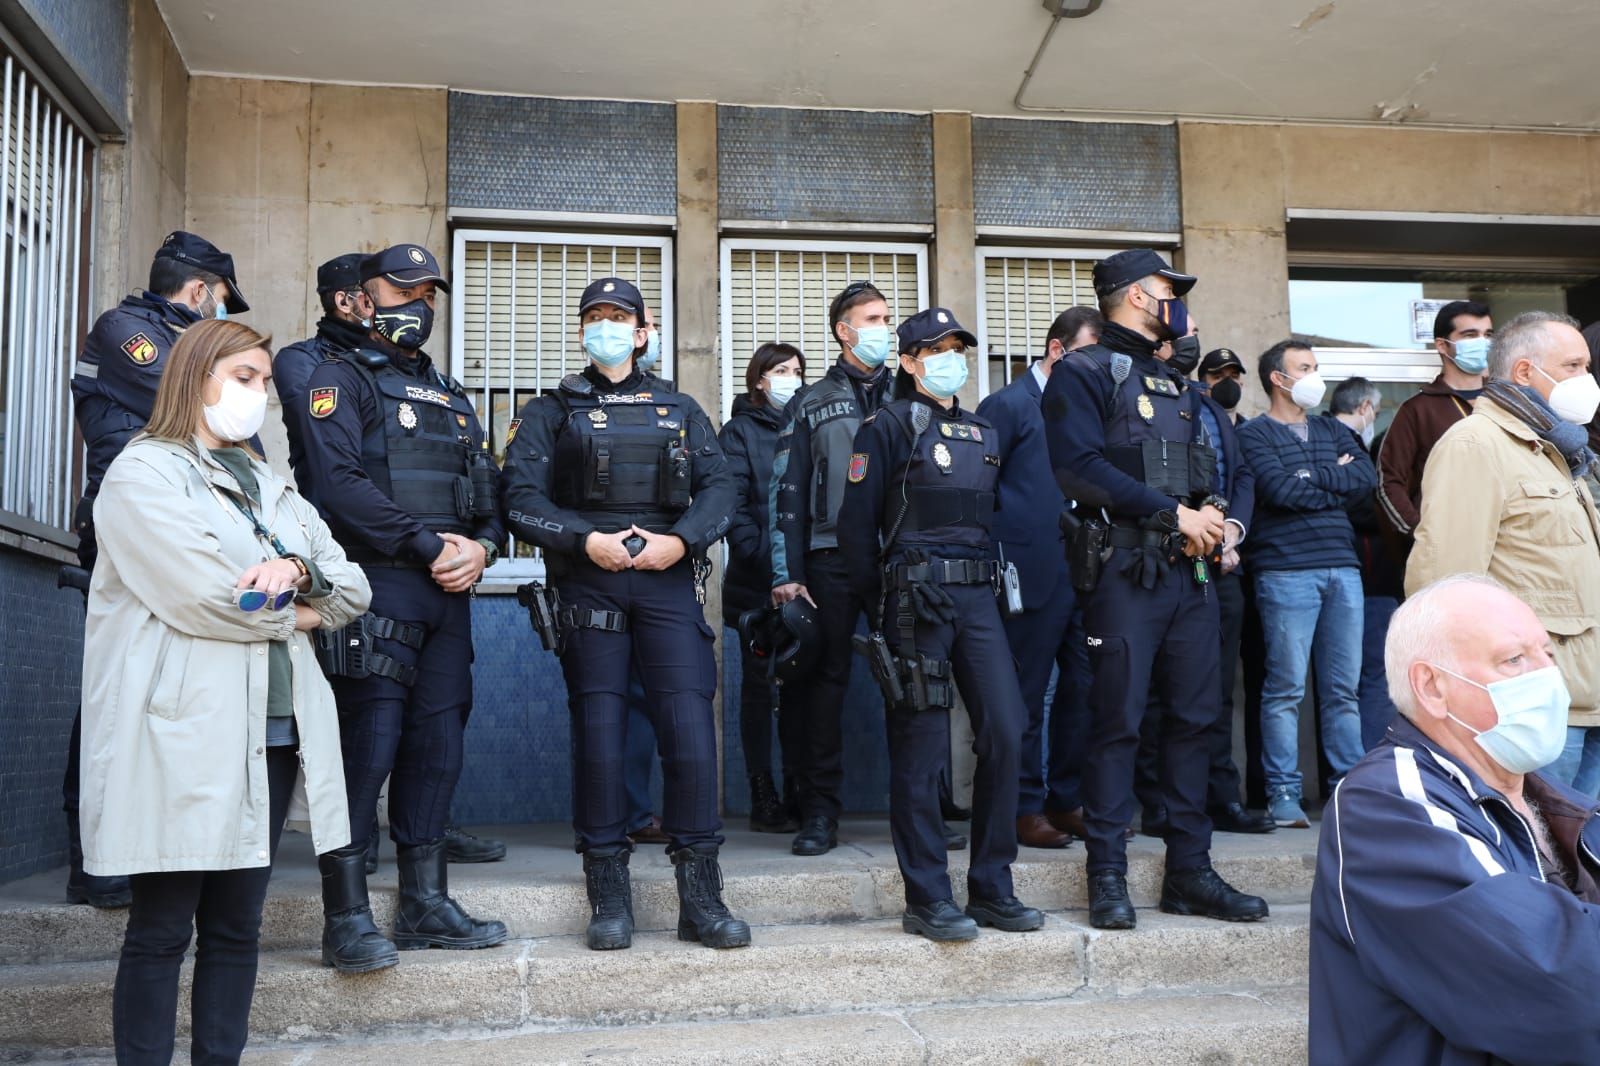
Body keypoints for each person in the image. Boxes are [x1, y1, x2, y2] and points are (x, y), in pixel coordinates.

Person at [82, 319, 368, 1064]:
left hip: (272, 732)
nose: (262, 394)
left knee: (239, 927)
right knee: (162, 929)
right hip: (185, 729)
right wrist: (301, 614)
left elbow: (354, 586)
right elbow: (207, 598)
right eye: (246, 378)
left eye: (265, 381)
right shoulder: (143, 473)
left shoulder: (272, 484)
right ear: (196, 376)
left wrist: (299, 577)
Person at [500, 276, 750, 952]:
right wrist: (586, 541)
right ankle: (609, 896)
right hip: (591, 584)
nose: (606, 326)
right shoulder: (552, 410)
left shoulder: (681, 408)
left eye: (619, 317)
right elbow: (517, 497)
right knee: (602, 738)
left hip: (668, 581)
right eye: (594, 317)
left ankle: (702, 897)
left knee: (691, 735)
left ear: (644, 333)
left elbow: (722, 487)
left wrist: (682, 540)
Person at [297, 244, 508, 972]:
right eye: (400, 288)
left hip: (449, 589)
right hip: (375, 583)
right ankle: (346, 918)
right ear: (359, 296)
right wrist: (427, 544)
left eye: (427, 293)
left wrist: (480, 547)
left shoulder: (449, 393)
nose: (415, 304)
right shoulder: (337, 377)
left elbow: (488, 490)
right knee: (368, 747)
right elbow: (338, 485)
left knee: (437, 741)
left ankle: (425, 902)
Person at [1043, 248, 1268, 930]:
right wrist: (1173, 514)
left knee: (1197, 720)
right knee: (1118, 721)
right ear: (1140, 297)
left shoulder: (1183, 386)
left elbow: (1217, 471)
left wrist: (1222, 522)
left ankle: (1189, 872)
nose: (1179, 304)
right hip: (1124, 571)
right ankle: (1107, 874)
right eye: (1171, 292)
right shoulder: (1081, 375)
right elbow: (1079, 469)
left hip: (1191, 573)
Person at [1310, 575, 1600, 1065]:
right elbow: (1558, 984)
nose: (1548, 678)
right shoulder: (1383, 806)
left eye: (1547, 655)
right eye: (1514, 660)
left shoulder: (1563, 805)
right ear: (1432, 687)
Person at [837, 307, 1041, 941]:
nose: (951, 357)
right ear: (907, 362)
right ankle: (927, 895)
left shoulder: (983, 431)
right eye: (936, 349)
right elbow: (853, 531)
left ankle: (991, 885)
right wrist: (886, 603)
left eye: (958, 347)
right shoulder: (887, 426)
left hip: (979, 598)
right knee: (921, 751)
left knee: (1007, 730)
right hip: (915, 601)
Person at [64, 230, 249, 910]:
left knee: (175, 693)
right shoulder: (128, 331)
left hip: (188, 530)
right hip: (130, 531)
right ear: (200, 290)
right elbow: (206, 408)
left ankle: (151, 848)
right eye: (222, 299)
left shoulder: (185, 341)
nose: (221, 313)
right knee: (119, 688)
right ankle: (93, 859)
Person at [1408, 311, 1600, 798]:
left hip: (1587, 694)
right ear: (1524, 373)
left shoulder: (1556, 449)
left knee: (1582, 863)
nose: (1587, 379)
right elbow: (1445, 582)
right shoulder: (1476, 445)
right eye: (1574, 365)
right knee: (1538, 857)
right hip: (1539, 702)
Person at [770, 280, 895, 856]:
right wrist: (785, 573)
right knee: (825, 685)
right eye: (872, 319)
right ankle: (819, 813)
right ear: (844, 331)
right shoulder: (811, 401)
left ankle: (920, 807)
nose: (884, 330)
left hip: (899, 559)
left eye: (887, 319)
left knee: (914, 682)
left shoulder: (908, 395)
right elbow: (786, 493)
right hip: (830, 560)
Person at [1236, 342, 1376, 828]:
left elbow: (1364, 477)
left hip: (1343, 568)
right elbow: (1276, 490)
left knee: (1343, 691)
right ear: (1278, 378)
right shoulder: (1253, 434)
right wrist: (1328, 478)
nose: (1315, 377)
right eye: (1304, 368)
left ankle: (1347, 793)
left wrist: (1311, 476)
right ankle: (1283, 796)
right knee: (1285, 689)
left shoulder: (1333, 428)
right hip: (1284, 571)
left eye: (1315, 368)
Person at [1135, 341, 1273, 835]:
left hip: (1222, 563)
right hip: (1167, 557)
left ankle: (1220, 798)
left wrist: (1231, 531)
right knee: (1157, 689)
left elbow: (1241, 477)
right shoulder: (1150, 401)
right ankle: (1159, 803)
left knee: (1214, 690)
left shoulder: (1212, 407)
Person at [977, 306, 1100, 849]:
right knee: (1026, 693)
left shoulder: (1091, 409)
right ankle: (1022, 806)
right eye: (1088, 354)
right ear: (1056, 350)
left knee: (1086, 687)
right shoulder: (1007, 405)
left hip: (1089, 569)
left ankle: (1065, 797)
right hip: (1026, 571)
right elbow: (980, 488)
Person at [721, 342, 808, 832]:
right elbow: (734, 504)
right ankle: (763, 793)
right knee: (758, 692)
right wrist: (764, 561)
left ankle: (799, 785)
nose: (790, 378)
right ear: (759, 379)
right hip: (755, 586)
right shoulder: (738, 432)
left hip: (803, 584)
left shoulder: (808, 424)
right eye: (780, 370)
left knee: (802, 689)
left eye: (797, 371)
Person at [1376, 300, 1493, 556]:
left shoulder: (1508, 401)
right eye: (1470, 335)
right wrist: (1421, 534)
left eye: (1488, 335)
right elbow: (1388, 481)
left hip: (1508, 544)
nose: (1483, 343)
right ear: (1442, 345)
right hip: (1449, 548)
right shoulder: (1417, 409)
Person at [1328, 377, 1403, 750]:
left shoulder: (1354, 445)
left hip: (1367, 580)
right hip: (1367, 581)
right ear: (1365, 408)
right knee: (1372, 676)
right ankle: (1372, 764)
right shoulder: (1341, 442)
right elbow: (1358, 506)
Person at [274, 253, 373, 493]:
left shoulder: (394, 359)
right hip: (332, 517)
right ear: (344, 302)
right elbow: (326, 435)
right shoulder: (300, 360)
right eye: (372, 298)